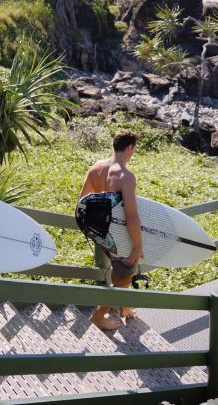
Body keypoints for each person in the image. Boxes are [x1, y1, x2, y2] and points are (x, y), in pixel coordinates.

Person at [79, 129, 143, 330]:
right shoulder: (126, 176)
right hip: (117, 234)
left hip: (98, 231)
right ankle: (98, 316)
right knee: (126, 269)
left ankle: (124, 308)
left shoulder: (96, 168)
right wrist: (138, 246)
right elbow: (131, 216)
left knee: (122, 271)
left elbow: (83, 201)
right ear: (130, 148)